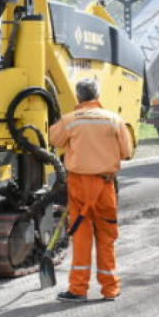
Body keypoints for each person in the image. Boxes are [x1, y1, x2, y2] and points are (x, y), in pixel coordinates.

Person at [48, 78, 133, 303]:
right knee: (106, 237)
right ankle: (110, 289)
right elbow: (126, 152)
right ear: (97, 96)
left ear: (78, 97)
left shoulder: (70, 120)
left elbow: (54, 140)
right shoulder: (115, 120)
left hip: (79, 186)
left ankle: (78, 289)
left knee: (82, 237)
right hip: (105, 186)